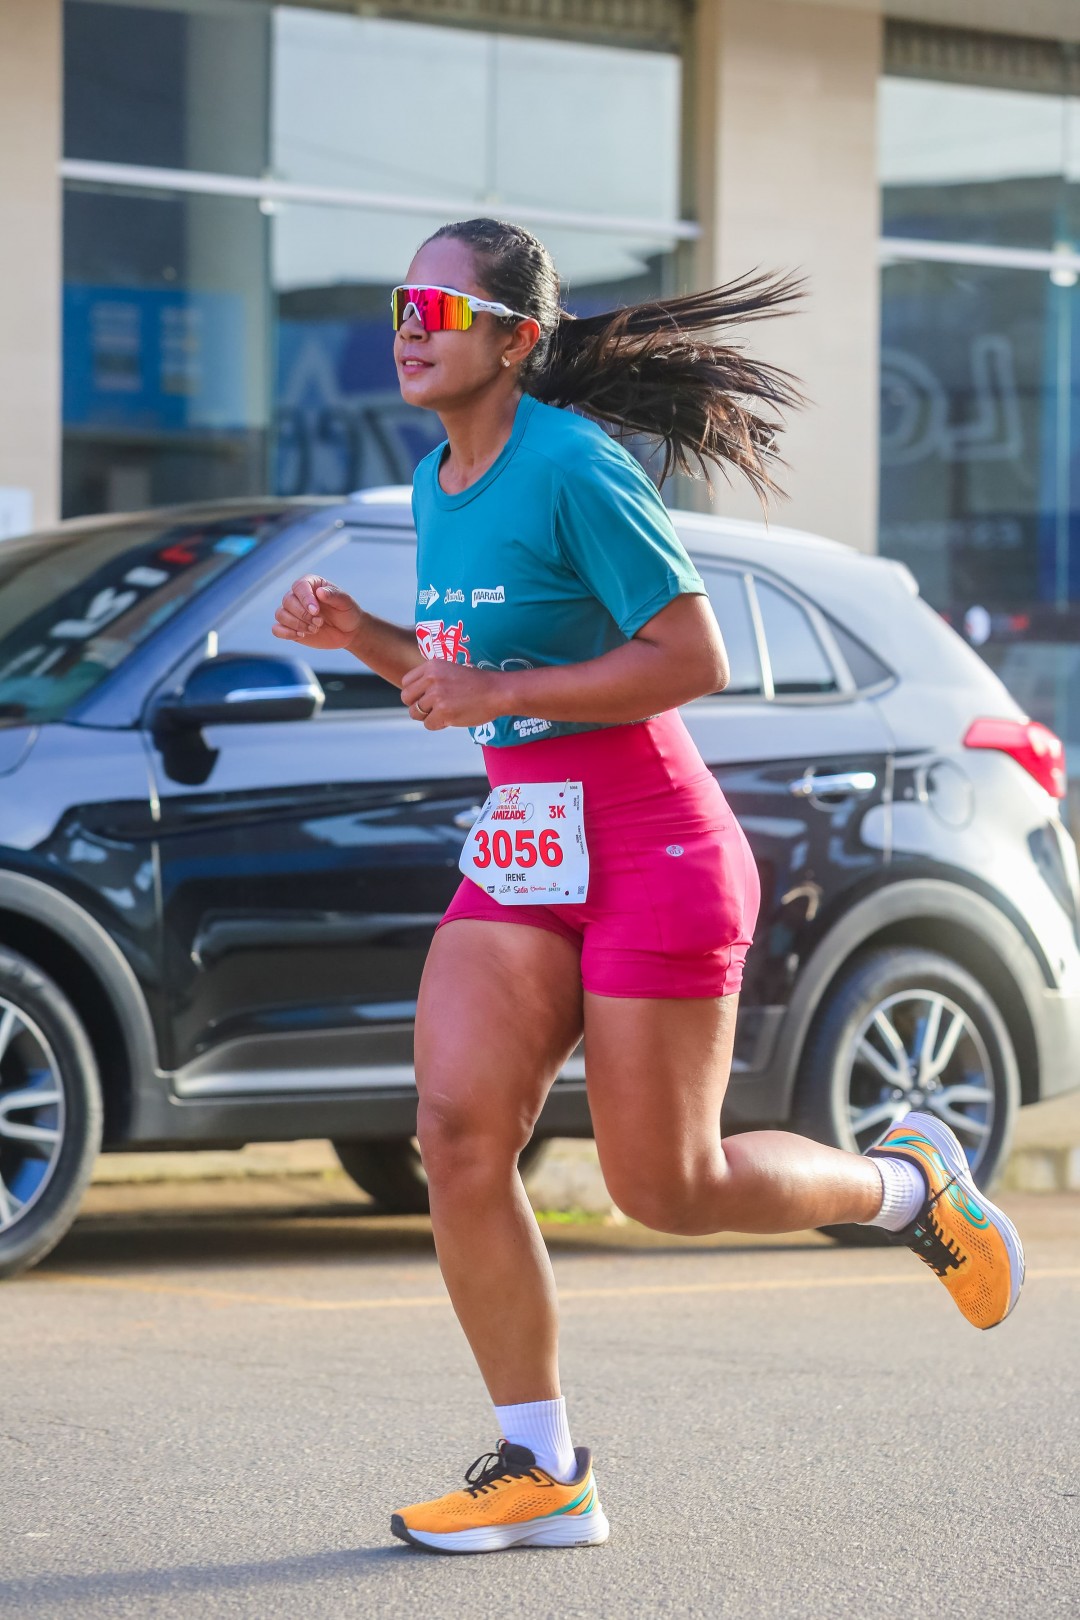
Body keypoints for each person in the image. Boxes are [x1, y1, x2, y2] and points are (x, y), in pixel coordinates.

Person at [272, 218, 1025, 1556]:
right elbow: (466, 678)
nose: (406, 328)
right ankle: (541, 1465)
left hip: (652, 848)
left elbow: (691, 656)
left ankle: (909, 1185)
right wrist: (366, 638)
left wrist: (495, 688)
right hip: (528, 846)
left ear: (516, 340)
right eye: (400, 304)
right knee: (457, 1134)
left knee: (668, 1187)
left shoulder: (574, 465)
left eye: (437, 309)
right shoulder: (440, 479)